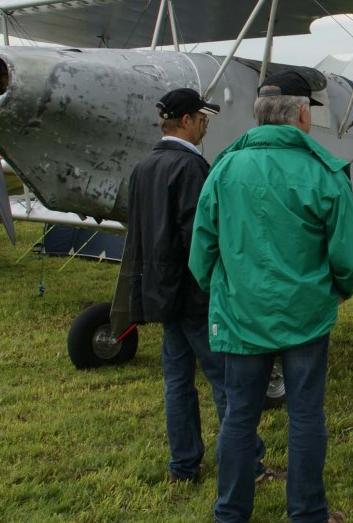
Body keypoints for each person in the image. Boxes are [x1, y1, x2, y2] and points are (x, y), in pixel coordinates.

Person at [190, 70, 353, 523]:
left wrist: (226, 290)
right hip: (306, 315)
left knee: (238, 415)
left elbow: (201, 253)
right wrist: (338, 290)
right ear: (303, 113)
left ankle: (230, 513)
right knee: (305, 414)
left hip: (239, 315)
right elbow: (349, 258)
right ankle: (308, 512)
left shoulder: (225, 168)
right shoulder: (324, 172)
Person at [125, 87, 269, 484]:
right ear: (186, 121)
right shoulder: (190, 168)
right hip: (194, 295)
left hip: (161, 293)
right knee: (226, 380)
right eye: (203, 119)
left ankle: (184, 466)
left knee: (177, 384)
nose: (206, 126)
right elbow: (199, 237)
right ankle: (249, 465)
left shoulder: (143, 167)